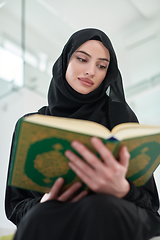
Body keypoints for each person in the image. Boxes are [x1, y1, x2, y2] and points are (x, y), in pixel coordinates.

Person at [5, 28, 160, 240]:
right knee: (39, 217)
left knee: (98, 207)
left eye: (102, 66)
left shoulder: (120, 117)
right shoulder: (32, 124)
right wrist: (46, 200)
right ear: (65, 61)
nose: (91, 71)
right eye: (82, 59)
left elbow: (149, 205)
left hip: (113, 210)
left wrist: (123, 189)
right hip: (52, 214)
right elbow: (16, 207)